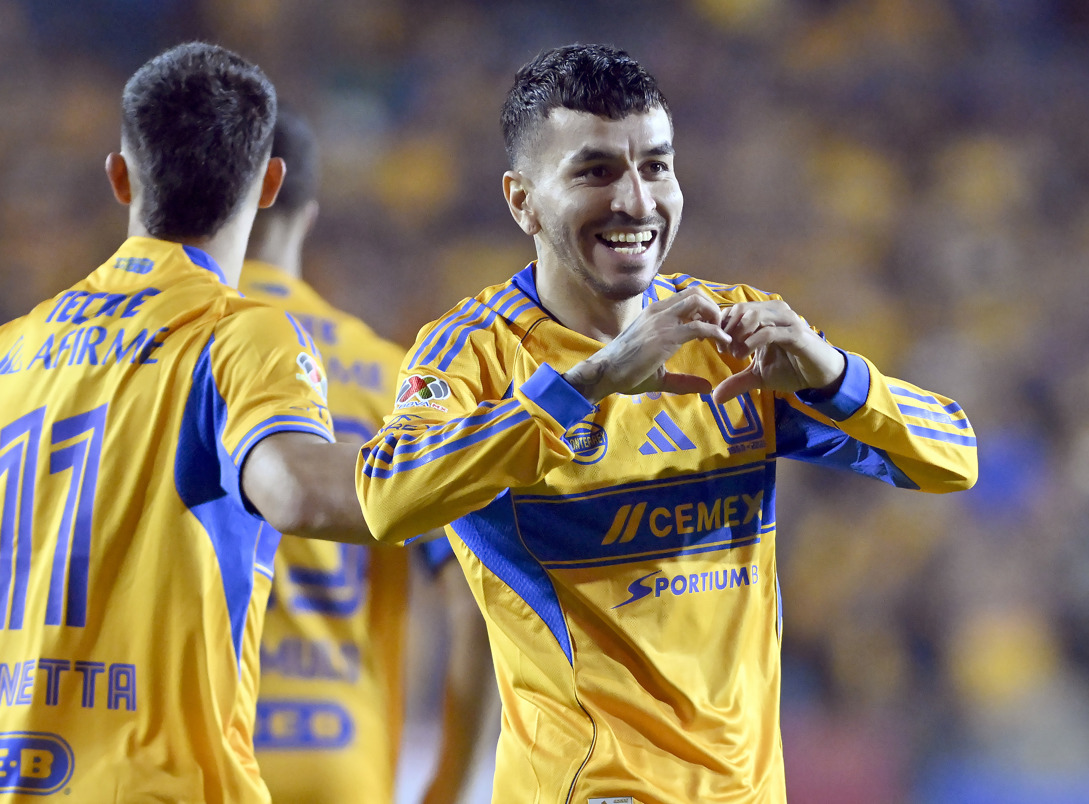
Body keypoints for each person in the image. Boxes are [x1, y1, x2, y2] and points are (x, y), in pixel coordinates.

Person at [356, 43, 977, 803]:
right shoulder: (474, 353)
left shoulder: (730, 338)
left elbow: (953, 458)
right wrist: (590, 384)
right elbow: (388, 498)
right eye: (595, 172)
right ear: (522, 201)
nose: (637, 201)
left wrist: (835, 375)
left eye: (655, 166)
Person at [0, 43, 368, 802]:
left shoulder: (14, 346)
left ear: (120, 176)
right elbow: (301, 496)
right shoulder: (236, 334)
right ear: (270, 185)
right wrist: (512, 435)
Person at [240, 107, 495, 804]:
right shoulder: (391, 377)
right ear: (306, 210)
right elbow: (474, 600)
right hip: (341, 758)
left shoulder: (172, 359)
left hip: (195, 750)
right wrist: (450, 779)